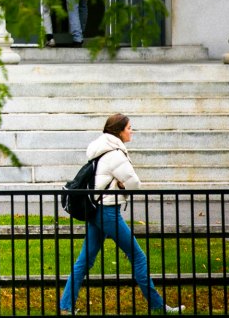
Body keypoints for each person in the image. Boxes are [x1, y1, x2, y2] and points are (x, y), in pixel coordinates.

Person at [59, 114, 183, 315]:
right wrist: (122, 185)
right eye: (129, 127)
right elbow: (135, 184)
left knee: (84, 261)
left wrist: (118, 184)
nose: (131, 131)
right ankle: (158, 306)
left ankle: (65, 307)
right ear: (118, 131)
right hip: (108, 213)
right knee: (138, 257)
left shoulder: (101, 149)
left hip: (96, 211)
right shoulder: (115, 153)